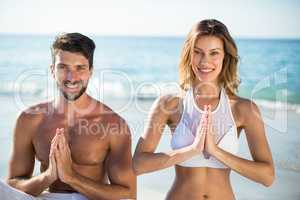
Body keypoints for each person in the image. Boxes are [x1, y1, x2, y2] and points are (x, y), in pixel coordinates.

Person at [133, 19, 275, 200]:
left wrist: (216, 151)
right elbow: (138, 164)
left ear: (225, 56)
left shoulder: (243, 109)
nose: (205, 61)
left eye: (214, 53)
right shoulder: (169, 104)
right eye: (198, 52)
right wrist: (191, 150)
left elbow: (267, 176)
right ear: (188, 55)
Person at [1, 33, 136, 200]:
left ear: (90, 72)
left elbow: (128, 194)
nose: (72, 77)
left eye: (80, 68)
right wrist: (49, 176)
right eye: (63, 67)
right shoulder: (30, 119)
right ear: (52, 70)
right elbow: (12, 185)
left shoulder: (113, 124)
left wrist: (71, 177)